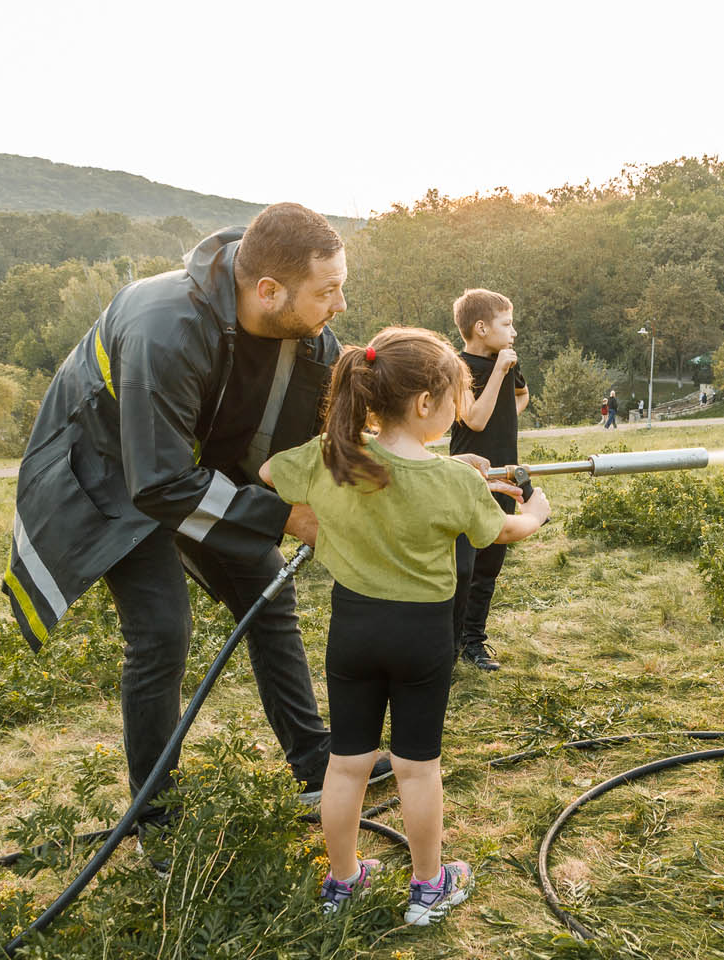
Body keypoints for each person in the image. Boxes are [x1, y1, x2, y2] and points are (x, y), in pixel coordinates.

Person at [2, 203, 383, 818]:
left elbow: (322, 432)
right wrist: (287, 517)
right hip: (115, 477)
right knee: (160, 634)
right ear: (267, 290)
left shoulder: (303, 333)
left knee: (269, 595)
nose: (339, 305)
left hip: (193, 471)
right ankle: (155, 813)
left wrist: (395, 473)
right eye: (329, 290)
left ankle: (314, 761)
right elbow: (158, 484)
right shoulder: (164, 326)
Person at [262, 326, 551, 922]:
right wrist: (538, 513)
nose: (455, 414)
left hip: (353, 631)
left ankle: (342, 884)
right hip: (421, 637)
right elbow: (502, 530)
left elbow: (269, 474)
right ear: (427, 405)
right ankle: (428, 888)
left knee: (347, 764)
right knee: (419, 768)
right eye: (453, 402)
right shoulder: (453, 481)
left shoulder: (331, 454)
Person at [448, 289, 529, 672]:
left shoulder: (508, 363)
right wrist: (498, 372)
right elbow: (474, 420)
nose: (513, 332)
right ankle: (446, 644)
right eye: (507, 324)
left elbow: (522, 396)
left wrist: (505, 406)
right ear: (481, 328)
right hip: (467, 476)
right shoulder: (455, 369)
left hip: (505, 472)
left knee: (489, 565)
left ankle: (473, 643)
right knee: (462, 566)